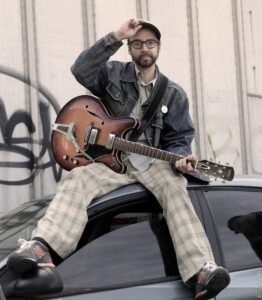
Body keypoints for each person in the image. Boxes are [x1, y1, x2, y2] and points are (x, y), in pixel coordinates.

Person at [7, 18, 230, 300]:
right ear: (130, 48)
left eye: (150, 43)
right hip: (112, 163)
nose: (144, 48)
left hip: (154, 164)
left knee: (175, 187)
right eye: (137, 43)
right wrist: (115, 35)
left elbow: (179, 138)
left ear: (158, 47)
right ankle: (40, 247)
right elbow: (81, 69)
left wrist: (183, 158)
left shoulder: (173, 94)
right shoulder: (113, 74)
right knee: (78, 179)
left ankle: (201, 271)